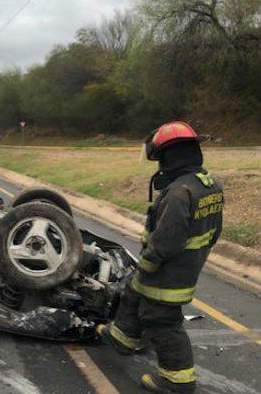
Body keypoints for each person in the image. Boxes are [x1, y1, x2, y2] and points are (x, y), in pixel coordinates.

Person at [97, 121, 224, 394]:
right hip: (186, 264)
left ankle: (177, 380)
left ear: (169, 156)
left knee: (161, 319)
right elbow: (215, 232)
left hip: (168, 268)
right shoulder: (209, 184)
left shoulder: (178, 193)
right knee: (133, 291)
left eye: (161, 159)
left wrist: (148, 261)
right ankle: (123, 336)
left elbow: (167, 240)